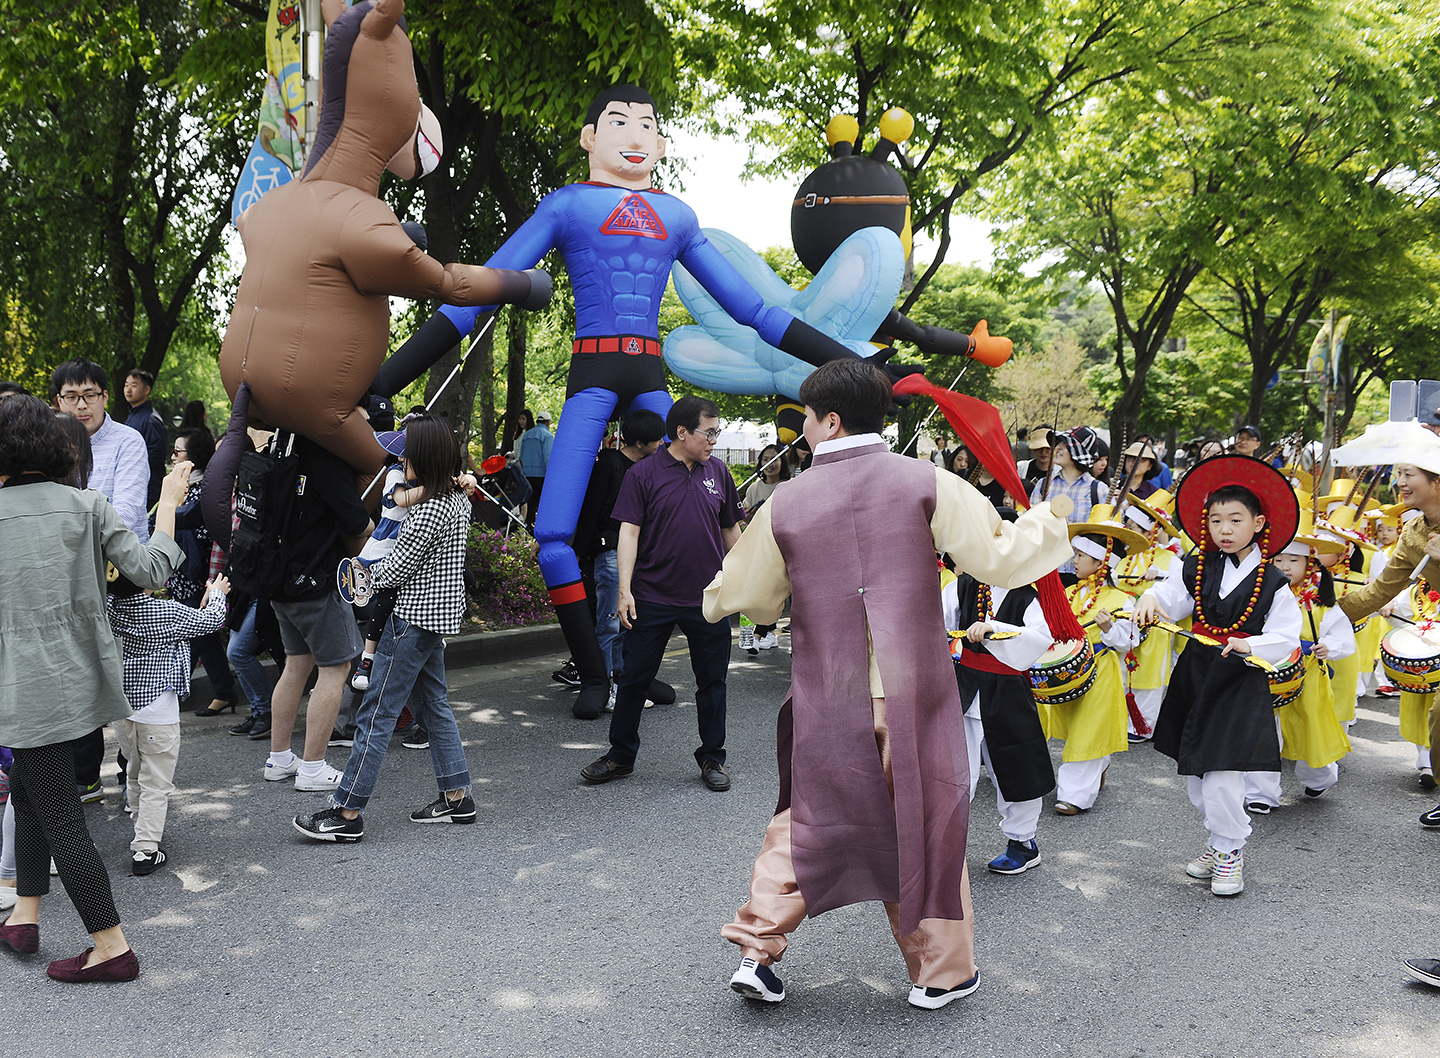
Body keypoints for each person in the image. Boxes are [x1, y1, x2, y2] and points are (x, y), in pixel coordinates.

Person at [385, 85, 905, 721]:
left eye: (648, 126)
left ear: (660, 144)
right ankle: (596, 674)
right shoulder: (568, 205)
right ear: (589, 138)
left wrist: (854, 361)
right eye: (618, 122)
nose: (634, 136)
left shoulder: (677, 218)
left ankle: (637, 669)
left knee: (688, 515)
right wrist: (388, 377)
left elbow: (758, 313)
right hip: (593, 370)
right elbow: (477, 294)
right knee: (553, 532)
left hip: (649, 371)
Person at [702, 360, 1073, 1009]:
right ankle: (941, 973)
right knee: (927, 826)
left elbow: (753, 597)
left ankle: (758, 949)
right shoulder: (927, 481)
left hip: (828, 691)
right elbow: (999, 558)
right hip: (914, 690)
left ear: (832, 419)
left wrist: (717, 597)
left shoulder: (789, 498)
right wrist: (1049, 518)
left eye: (807, 420)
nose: (805, 432)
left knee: (801, 821)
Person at [0, 394, 190, 983]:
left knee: (56, 812)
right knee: (33, 797)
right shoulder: (88, 506)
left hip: (18, 686)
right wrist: (167, 509)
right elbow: (153, 572)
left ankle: (111, 947)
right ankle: (24, 916)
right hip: (78, 683)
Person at [294, 417, 480, 842]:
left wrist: (360, 576)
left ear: (426, 458)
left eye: (408, 453)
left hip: (412, 618)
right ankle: (456, 797)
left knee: (375, 714)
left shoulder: (429, 509)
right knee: (434, 705)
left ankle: (347, 813)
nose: (401, 458)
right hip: (436, 618)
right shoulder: (456, 501)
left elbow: (397, 569)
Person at [1133, 456, 1302, 897]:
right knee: (1194, 771)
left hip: (1241, 678)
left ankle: (1230, 851)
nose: (1224, 529)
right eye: (1215, 519)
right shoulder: (1195, 565)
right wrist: (1151, 597)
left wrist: (1251, 643)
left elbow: (1287, 636)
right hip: (1196, 673)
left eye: (1235, 519)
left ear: (1258, 523)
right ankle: (1218, 839)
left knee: (1223, 772)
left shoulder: (1275, 582)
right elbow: (1171, 598)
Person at [579, 396, 743, 790]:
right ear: (682, 432)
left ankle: (712, 759)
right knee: (633, 678)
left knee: (713, 682)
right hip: (652, 596)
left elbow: (731, 534)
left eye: (717, 432)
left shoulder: (718, 473)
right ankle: (620, 756)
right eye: (710, 432)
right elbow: (628, 534)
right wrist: (625, 591)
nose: (714, 441)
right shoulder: (644, 474)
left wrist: (746, 581)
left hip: (707, 598)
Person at [262, 435, 372, 794]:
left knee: (296, 665)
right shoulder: (327, 458)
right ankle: (312, 767)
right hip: (317, 582)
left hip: (279, 578)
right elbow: (357, 524)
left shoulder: (281, 449)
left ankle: (280, 759)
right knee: (335, 669)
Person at [106, 566, 230, 876]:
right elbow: (212, 620)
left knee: (134, 770)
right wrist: (217, 594)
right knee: (157, 782)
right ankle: (146, 850)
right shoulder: (163, 611)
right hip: (157, 713)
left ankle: (140, 826)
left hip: (123, 710)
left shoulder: (107, 608)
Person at [945, 547, 1056, 875]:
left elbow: (1041, 638)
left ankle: (1022, 842)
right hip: (964, 685)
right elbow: (935, 620)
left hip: (1007, 689)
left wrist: (996, 629)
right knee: (953, 767)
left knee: (1014, 765)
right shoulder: (963, 585)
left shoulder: (1027, 596)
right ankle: (944, 845)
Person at [1242, 526, 1352, 812]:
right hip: (1269, 672)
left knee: (1309, 728)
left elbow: (1343, 639)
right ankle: (1261, 794)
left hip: (1308, 675)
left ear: (1309, 563)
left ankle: (1319, 776)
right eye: (1279, 561)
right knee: (1263, 731)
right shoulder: (1262, 594)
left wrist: (1329, 646)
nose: (1285, 567)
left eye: (1293, 560)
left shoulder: (1321, 604)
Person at [571, 409, 668, 713]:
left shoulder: (649, 466)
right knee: (609, 624)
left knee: (629, 625)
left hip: (638, 554)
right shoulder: (609, 464)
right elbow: (591, 510)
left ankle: (625, 686)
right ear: (640, 441)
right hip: (610, 553)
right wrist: (580, 552)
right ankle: (606, 686)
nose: (661, 443)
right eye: (656, 438)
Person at [1045, 522, 1143, 815]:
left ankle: (1074, 796)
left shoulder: (1122, 599)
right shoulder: (1070, 591)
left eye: (1080, 555)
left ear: (1101, 562)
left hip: (1100, 670)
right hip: (1066, 672)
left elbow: (1129, 642)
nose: (1074, 561)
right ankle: (1100, 763)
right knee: (1072, 725)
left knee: (1088, 729)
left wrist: (1109, 628)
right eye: (1074, 554)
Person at [169, 428, 239, 717]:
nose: (172, 456)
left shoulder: (202, 489)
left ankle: (202, 692)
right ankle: (221, 692)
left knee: (197, 633)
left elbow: (182, 521)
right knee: (201, 635)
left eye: (178, 451)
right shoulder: (183, 486)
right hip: (183, 573)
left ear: (193, 457)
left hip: (198, 574)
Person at [51, 359, 150, 543]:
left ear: (104, 397)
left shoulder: (128, 442)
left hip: (121, 563)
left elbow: (125, 515)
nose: (81, 405)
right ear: (59, 401)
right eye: (71, 397)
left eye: (89, 395)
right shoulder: (51, 444)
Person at [739, 443, 790, 654]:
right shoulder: (753, 488)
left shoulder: (789, 486)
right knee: (762, 589)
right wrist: (746, 515)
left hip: (781, 545)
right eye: (765, 459)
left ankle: (760, 634)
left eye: (775, 458)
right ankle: (766, 633)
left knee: (774, 589)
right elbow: (742, 521)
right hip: (759, 545)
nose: (769, 463)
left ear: (782, 462)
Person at [122, 369, 167, 509]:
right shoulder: (134, 416)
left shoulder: (150, 420)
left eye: (134, 385)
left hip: (147, 490)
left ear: (147, 389)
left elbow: (155, 456)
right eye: (126, 385)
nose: (128, 389)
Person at [518, 410, 554, 531]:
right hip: (541, 475)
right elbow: (548, 456)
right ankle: (539, 529)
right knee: (542, 504)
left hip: (527, 474)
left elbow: (521, 455)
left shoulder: (527, 435)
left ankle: (527, 527)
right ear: (548, 423)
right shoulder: (547, 436)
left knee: (530, 504)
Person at [1017, 427, 1052, 496]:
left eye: (1047, 448)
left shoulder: (1061, 471)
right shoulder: (1021, 467)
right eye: (1039, 448)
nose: (1043, 452)